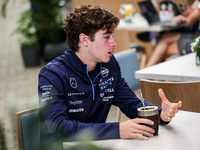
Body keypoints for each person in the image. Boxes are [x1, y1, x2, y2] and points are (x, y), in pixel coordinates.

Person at [38, 4, 182, 150]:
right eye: (106, 37)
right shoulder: (52, 74)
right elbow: (58, 127)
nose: (114, 43)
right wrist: (118, 130)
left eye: (112, 36)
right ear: (85, 40)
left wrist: (159, 114)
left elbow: (131, 104)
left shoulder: (109, 64)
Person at [145, 0, 200, 68]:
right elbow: (193, 9)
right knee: (166, 37)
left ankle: (147, 72)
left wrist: (185, 18)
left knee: (166, 49)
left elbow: (190, 20)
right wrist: (190, 12)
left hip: (197, 41)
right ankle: (149, 72)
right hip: (195, 35)